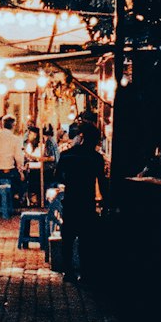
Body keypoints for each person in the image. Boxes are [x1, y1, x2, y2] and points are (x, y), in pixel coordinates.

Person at [54, 121, 109, 284]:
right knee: (86, 240)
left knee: (68, 238)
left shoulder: (67, 155)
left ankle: (68, 272)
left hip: (71, 200)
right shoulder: (96, 158)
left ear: (81, 137)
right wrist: (105, 201)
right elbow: (102, 183)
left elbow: (58, 176)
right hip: (87, 202)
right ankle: (85, 273)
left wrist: (70, 179)